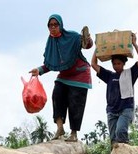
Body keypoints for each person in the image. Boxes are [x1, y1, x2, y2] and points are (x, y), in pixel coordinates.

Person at [30, 14, 93, 142]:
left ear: (61, 25)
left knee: (75, 103)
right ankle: (60, 128)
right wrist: (39, 70)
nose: (53, 28)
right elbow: (51, 63)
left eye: (55, 25)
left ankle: (74, 133)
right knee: (57, 94)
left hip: (80, 74)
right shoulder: (51, 43)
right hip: (64, 75)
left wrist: (88, 40)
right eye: (50, 25)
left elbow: (87, 45)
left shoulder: (72, 36)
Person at [90, 33, 138, 145]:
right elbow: (93, 64)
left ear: (124, 63)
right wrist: (98, 48)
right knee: (113, 139)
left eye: (119, 63)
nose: (116, 66)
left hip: (126, 109)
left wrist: (134, 43)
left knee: (120, 132)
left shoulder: (130, 74)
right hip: (111, 110)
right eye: (114, 64)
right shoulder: (109, 75)